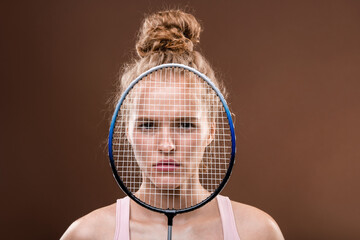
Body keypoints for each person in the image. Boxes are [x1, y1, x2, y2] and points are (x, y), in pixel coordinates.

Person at [61, 9, 284, 240]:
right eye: (147, 125)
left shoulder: (258, 232)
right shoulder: (88, 234)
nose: (167, 145)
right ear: (127, 131)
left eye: (185, 125)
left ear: (211, 131)